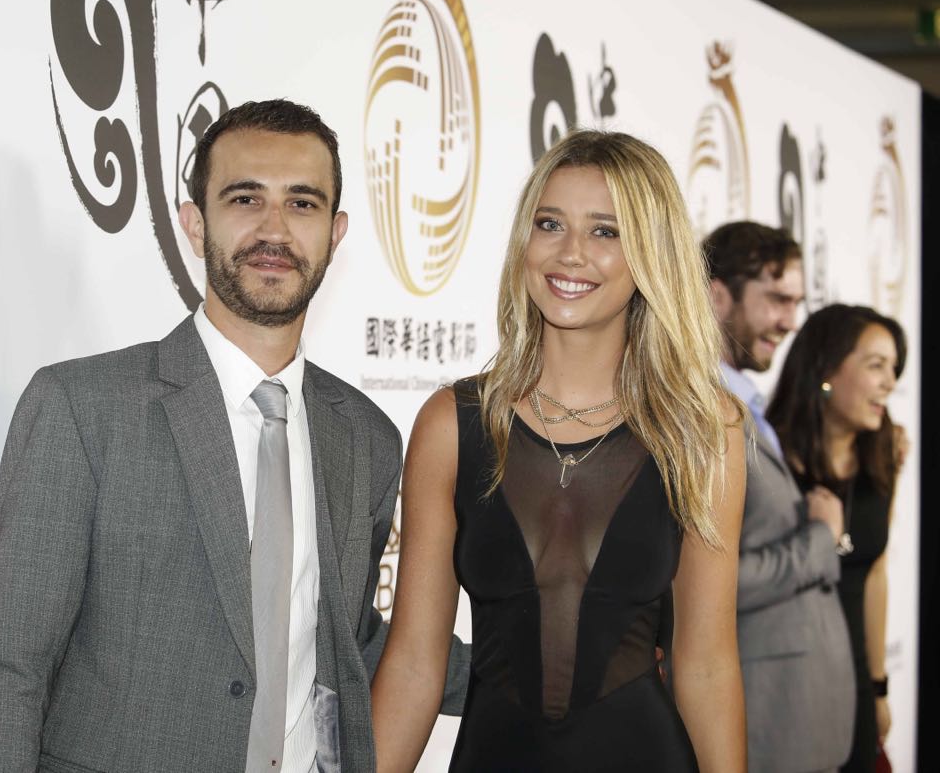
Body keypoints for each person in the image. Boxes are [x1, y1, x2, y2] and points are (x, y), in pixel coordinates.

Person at [0, 99, 466, 772]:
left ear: (336, 233)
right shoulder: (82, 409)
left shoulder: (365, 436)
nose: (274, 229)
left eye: (303, 204)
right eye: (245, 198)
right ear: (194, 224)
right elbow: (11, 668)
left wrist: (538, 669)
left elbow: (339, 633)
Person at [371, 129, 747, 772]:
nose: (571, 254)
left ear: (650, 254)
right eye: (551, 224)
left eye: (606, 231)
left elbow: (707, 663)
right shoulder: (452, 423)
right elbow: (412, 663)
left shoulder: (702, 429)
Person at [703, 222, 855, 773]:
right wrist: (820, 538)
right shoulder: (701, 411)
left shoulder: (749, 404)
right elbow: (705, 585)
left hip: (801, 719)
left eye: (796, 303)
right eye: (776, 300)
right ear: (717, 295)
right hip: (764, 725)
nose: (791, 322)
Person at [767, 304, 907, 773]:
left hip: (856, 689)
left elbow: (874, 576)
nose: (890, 382)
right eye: (875, 365)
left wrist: (879, 686)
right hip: (786, 689)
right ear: (826, 369)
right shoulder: (768, 460)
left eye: (894, 367)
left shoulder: (884, 458)